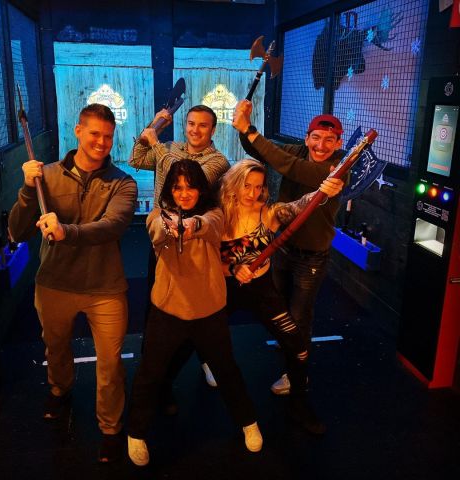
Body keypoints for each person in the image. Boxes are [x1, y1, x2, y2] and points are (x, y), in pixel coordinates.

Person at [8, 104, 138, 463]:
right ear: (78, 131)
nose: (101, 142)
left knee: (110, 365)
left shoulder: (123, 182)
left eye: (108, 136)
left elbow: (112, 226)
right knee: (56, 349)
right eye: (95, 133)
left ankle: (110, 428)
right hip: (55, 284)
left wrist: (66, 231)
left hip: (105, 288)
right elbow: (16, 231)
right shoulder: (45, 176)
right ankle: (59, 390)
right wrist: (26, 189)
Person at [127, 160, 262, 466]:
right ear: (169, 190)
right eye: (177, 187)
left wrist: (191, 226)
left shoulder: (214, 214)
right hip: (168, 310)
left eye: (190, 187)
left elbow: (210, 225)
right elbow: (156, 230)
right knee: (150, 372)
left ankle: (249, 422)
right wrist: (171, 226)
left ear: (201, 189)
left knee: (227, 370)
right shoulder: (157, 215)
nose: (184, 193)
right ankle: (135, 433)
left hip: (209, 310)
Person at [232, 100, 346, 399]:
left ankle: (297, 374)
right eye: (316, 138)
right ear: (307, 138)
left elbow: (292, 168)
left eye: (329, 140)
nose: (321, 145)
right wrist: (243, 127)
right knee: (279, 308)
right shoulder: (296, 151)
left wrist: (250, 129)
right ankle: (290, 351)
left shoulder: (338, 168)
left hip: (311, 256)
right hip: (283, 247)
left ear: (339, 143)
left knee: (299, 315)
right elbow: (261, 151)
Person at [219, 159, 343, 434]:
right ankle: (164, 388)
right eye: (247, 186)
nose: (253, 193)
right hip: (225, 291)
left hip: (263, 291)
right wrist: (233, 268)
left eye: (259, 187)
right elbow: (207, 260)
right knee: (195, 340)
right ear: (234, 185)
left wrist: (322, 191)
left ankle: (299, 404)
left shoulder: (269, 213)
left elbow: (301, 206)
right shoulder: (218, 215)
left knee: (298, 346)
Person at [129, 105, 230, 401]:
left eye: (203, 125)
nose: (195, 130)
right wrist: (155, 126)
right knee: (158, 303)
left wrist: (157, 143)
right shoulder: (171, 147)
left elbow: (185, 175)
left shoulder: (217, 160)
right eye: (191, 123)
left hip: (197, 240)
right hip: (164, 238)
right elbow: (136, 158)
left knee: (198, 307)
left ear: (213, 130)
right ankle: (154, 365)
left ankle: (204, 356)